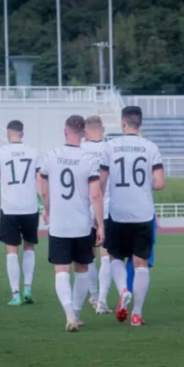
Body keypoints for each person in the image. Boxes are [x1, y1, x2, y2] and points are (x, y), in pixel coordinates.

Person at [99, 106, 164, 327]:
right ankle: (136, 313)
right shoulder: (150, 147)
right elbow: (160, 183)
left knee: (115, 256)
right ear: (140, 123)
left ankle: (123, 290)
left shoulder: (111, 146)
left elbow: (101, 182)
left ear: (123, 122)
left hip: (118, 211)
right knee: (141, 263)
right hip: (143, 212)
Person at [39, 115, 105, 331]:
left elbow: (44, 188)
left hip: (59, 222)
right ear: (84, 132)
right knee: (83, 268)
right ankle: (76, 314)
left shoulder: (51, 156)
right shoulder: (89, 159)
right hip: (81, 223)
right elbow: (95, 195)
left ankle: (68, 314)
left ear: (64, 131)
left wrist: (47, 209)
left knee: (61, 270)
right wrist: (100, 224)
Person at [0, 120, 40, 306]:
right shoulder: (33, 152)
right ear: (22, 133)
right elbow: (41, 182)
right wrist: (46, 204)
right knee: (29, 246)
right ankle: (28, 287)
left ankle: (16, 293)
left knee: (11, 248)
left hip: (10, 207)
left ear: (7, 133)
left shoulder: (1, 153)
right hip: (30, 206)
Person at [80, 115, 112, 313]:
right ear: (103, 128)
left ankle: (93, 295)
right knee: (106, 255)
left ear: (85, 131)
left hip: (84, 207)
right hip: (107, 206)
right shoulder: (110, 148)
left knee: (88, 256)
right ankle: (102, 300)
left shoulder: (81, 150)